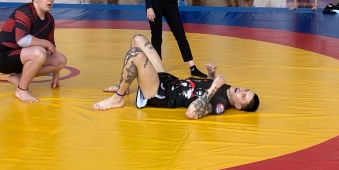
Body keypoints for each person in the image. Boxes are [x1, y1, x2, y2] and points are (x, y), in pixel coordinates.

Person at [92, 34, 260, 119]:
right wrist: (211, 75)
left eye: (243, 96)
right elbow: (203, 89)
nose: (242, 91)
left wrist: (214, 86)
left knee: (135, 54)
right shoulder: (226, 87)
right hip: (167, 80)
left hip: (160, 93)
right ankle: (124, 85)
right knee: (138, 39)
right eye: (246, 90)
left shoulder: (220, 104)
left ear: (238, 105)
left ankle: (118, 98)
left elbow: (192, 113)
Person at [0, 0, 67, 103]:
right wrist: (46, 43)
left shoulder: (49, 19)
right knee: (39, 52)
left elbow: (52, 48)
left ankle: (18, 77)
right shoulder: (24, 11)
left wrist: (55, 71)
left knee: (60, 60)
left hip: (23, 55)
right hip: (3, 56)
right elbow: (22, 40)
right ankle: (22, 90)